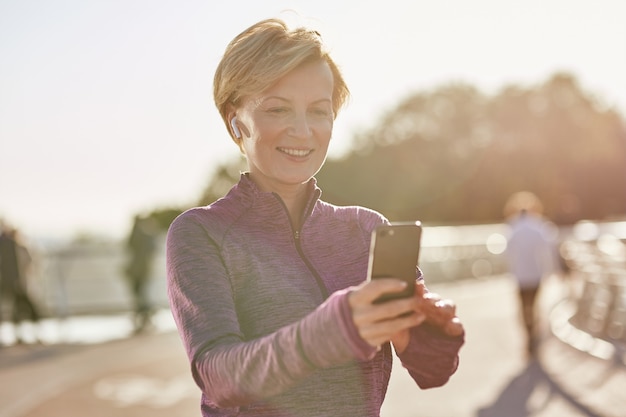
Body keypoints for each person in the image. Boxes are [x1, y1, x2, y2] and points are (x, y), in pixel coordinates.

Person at [166, 18, 465, 417]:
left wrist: (429, 335)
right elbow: (219, 378)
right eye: (277, 108)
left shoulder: (366, 229)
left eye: (319, 111)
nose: (303, 131)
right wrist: (333, 329)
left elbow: (435, 371)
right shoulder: (201, 234)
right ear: (235, 121)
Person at [504, 191, 557, 358]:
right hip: (535, 274)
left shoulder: (512, 227)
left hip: (520, 275)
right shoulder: (539, 226)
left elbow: (506, 253)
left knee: (523, 307)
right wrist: (551, 270)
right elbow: (548, 251)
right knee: (534, 305)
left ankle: (529, 335)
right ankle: (534, 334)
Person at [0, 223, 41, 344]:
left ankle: (30, 335)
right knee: (17, 309)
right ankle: (21, 336)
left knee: (24, 308)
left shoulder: (18, 247)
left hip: (19, 283)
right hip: (13, 283)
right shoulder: (8, 246)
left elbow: (28, 264)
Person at [124, 215, 158, 333]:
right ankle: (145, 313)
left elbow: (129, 245)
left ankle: (144, 313)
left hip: (138, 270)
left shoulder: (138, 234)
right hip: (143, 269)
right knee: (141, 293)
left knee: (139, 293)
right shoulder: (147, 235)